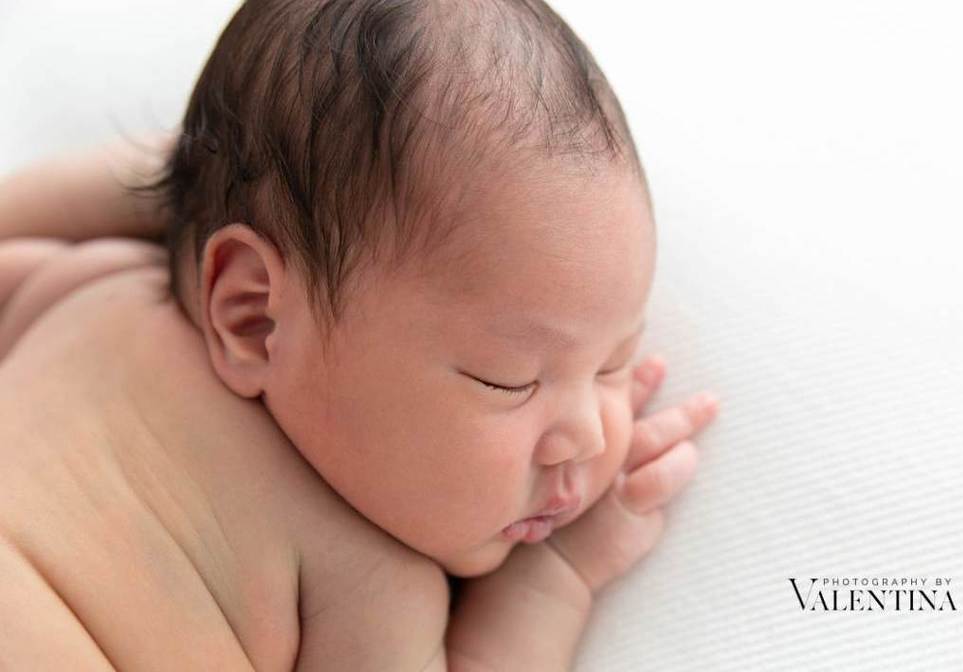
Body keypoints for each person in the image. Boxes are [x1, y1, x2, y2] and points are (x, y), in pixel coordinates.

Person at [0, 0, 719, 668]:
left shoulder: (91, 288)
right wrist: (554, 580)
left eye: (612, 367)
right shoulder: (374, 593)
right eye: (511, 379)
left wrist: (161, 181)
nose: (591, 437)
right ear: (253, 317)